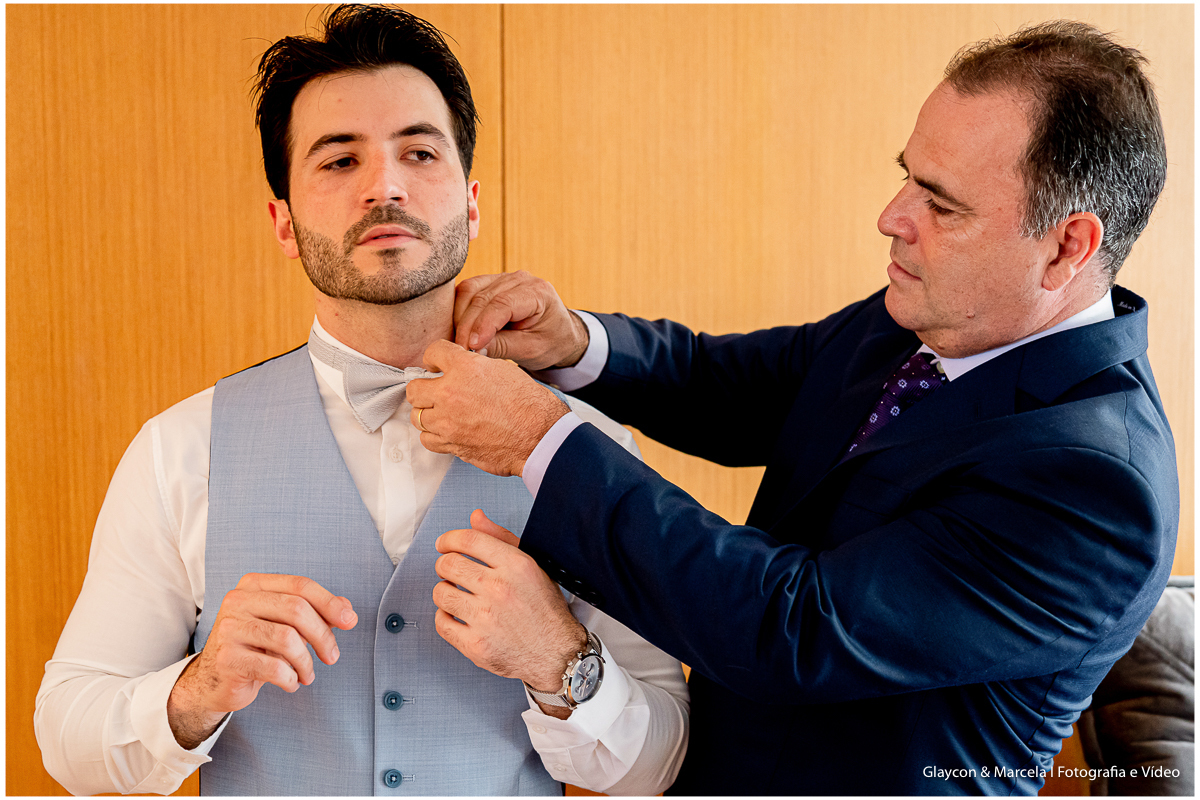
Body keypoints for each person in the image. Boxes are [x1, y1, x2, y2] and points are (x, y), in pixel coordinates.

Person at [407, 20, 1178, 795]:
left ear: (1069, 246)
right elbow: (734, 384)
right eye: (908, 175)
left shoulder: (1098, 485)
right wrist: (572, 342)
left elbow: (796, 628)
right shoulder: (932, 306)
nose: (892, 217)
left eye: (941, 206)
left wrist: (538, 439)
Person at [33, 5, 688, 796]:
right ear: (283, 222)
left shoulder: (588, 447)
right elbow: (68, 743)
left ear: (471, 203)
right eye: (339, 162)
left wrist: (560, 661)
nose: (384, 185)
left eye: (418, 151)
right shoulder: (181, 449)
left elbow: (659, 763)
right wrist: (197, 689)